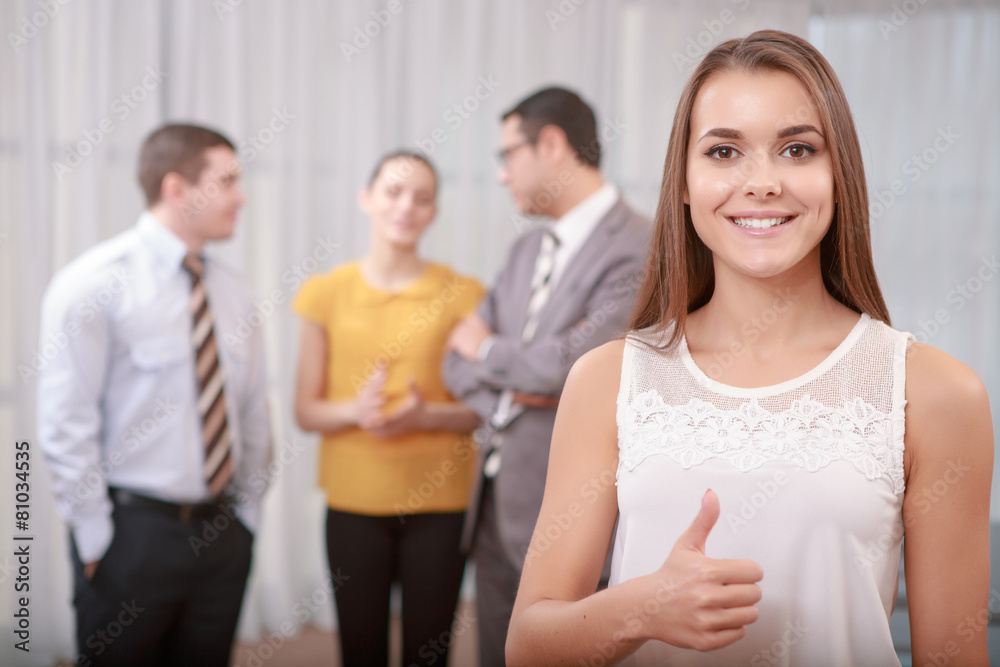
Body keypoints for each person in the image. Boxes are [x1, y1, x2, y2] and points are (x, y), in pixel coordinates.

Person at [505, 29, 994, 667]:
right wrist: (642, 608)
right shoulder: (607, 379)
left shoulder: (936, 394)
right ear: (682, 183)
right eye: (724, 151)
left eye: (797, 149)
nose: (762, 183)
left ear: (838, 173)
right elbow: (528, 645)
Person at [37, 124, 272, 666]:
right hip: (131, 538)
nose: (242, 196)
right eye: (228, 179)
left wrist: (247, 519)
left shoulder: (235, 294)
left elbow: (255, 414)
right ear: (176, 188)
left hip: (223, 535)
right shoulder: (92, 285)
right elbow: (64, 426)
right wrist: (96, 540)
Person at [443, 86, 652, 667]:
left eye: (508, 155)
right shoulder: (523, 250)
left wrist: (491, 352)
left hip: (568, 509)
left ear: (553, 144)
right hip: (491, 502)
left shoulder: (642, 245)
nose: (504, 175)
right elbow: (453, 360)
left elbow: (577, 366)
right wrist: (518, 392)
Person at [292, 151, 483, 667]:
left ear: (434, 211)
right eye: (394, 192)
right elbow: (306, 411)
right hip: (354, 501)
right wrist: (357, 410)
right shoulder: (325, 293)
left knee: (429, 651)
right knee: (361, 650)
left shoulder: (464, 295)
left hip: (441, 502)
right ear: (366, 199)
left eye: (422, 198)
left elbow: (481, 410)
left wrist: (426, 417)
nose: (407, 206)